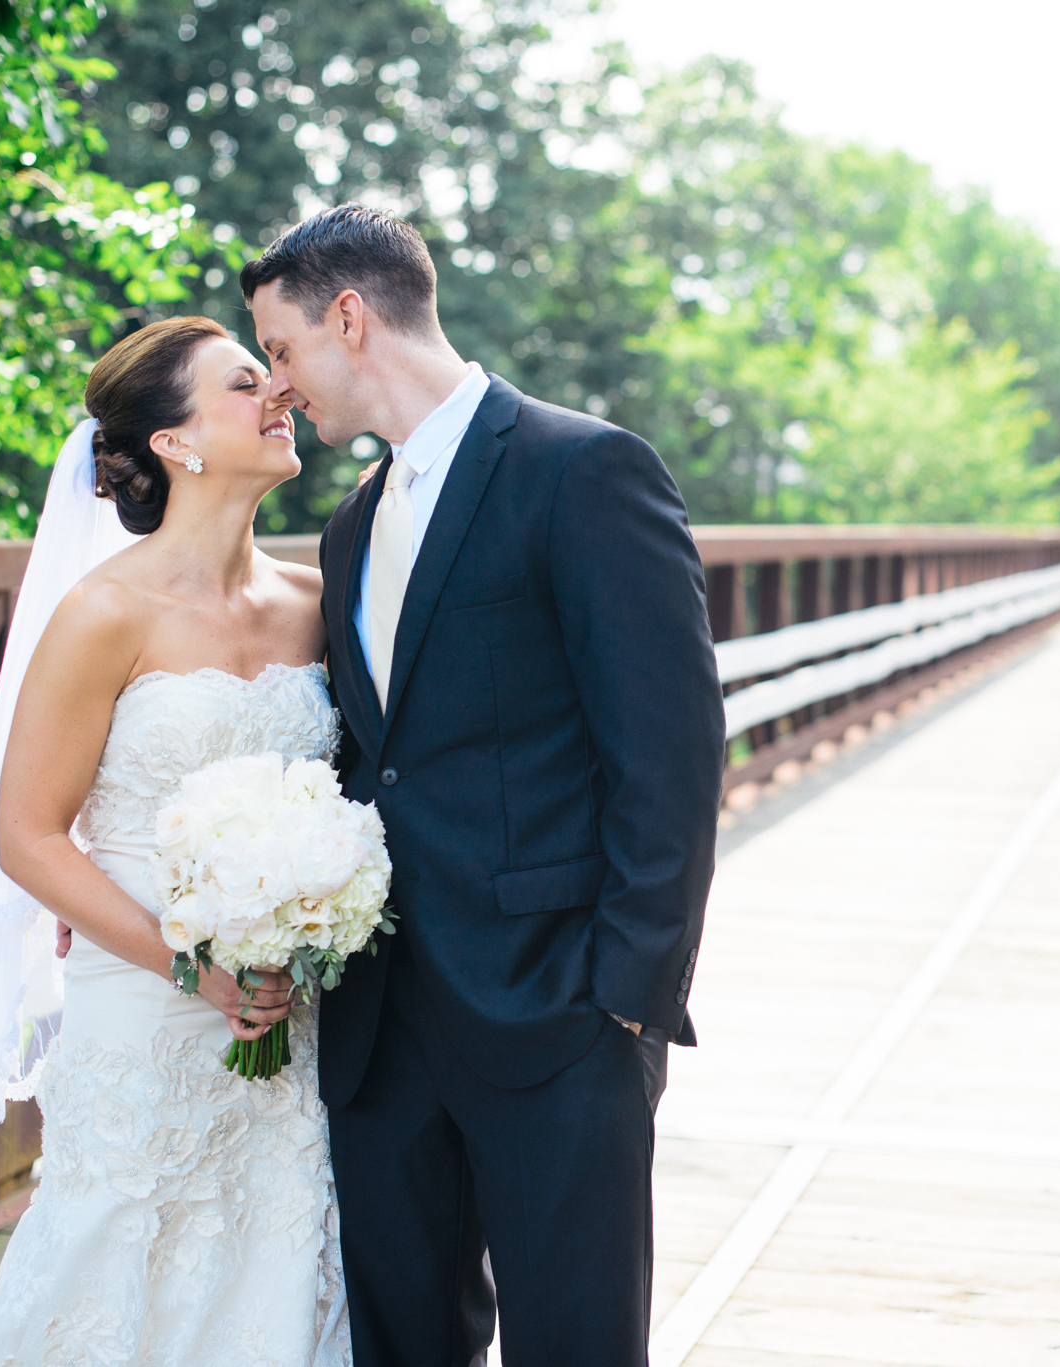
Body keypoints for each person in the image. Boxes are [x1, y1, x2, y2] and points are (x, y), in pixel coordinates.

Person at [241, 204, 725, 1367]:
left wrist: (625, 995)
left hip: (556, 1011)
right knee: (402, 1346)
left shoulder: (582, 469)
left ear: (347, 317)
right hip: (379, 1027)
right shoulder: (351, 528)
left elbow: (671, 749)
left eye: (281, 347)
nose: (277, 381)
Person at [0, 315, 350, 1365]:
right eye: (246, 381)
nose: (281, 395)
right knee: (116, 1259)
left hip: (288, 1011)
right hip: (143, 1009)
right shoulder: (102, 613)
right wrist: (189, 962)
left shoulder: (316, 602)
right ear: (175, 441)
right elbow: (27, 836)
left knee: (279, 1252)